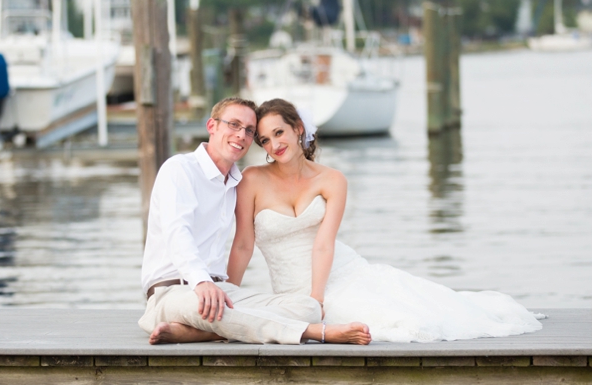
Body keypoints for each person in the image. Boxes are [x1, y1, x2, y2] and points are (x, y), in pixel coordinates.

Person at [226, 98, 544, 343]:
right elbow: (242, 245)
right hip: (288, 286)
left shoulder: (332, 180)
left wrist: (316, 298)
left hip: (337, 274)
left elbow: (323, 245)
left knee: (405, 317)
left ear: (297, 128)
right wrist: (229, 295)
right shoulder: (252, 180)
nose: (274, 144)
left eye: (278, 132)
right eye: (265, 140)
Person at [138, 96, 370, 345]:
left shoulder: (234, 182)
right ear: (212, 126)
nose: (241, 135)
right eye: (234, 125)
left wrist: (222, 287)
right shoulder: (180, 168)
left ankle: (200, 332)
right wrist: (202, 281)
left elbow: (243, 247)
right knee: (216, 309)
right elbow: (177, 232)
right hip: (174, 291)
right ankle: (315, 332)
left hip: (219, 290)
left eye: (249, 131)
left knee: (308, 307)